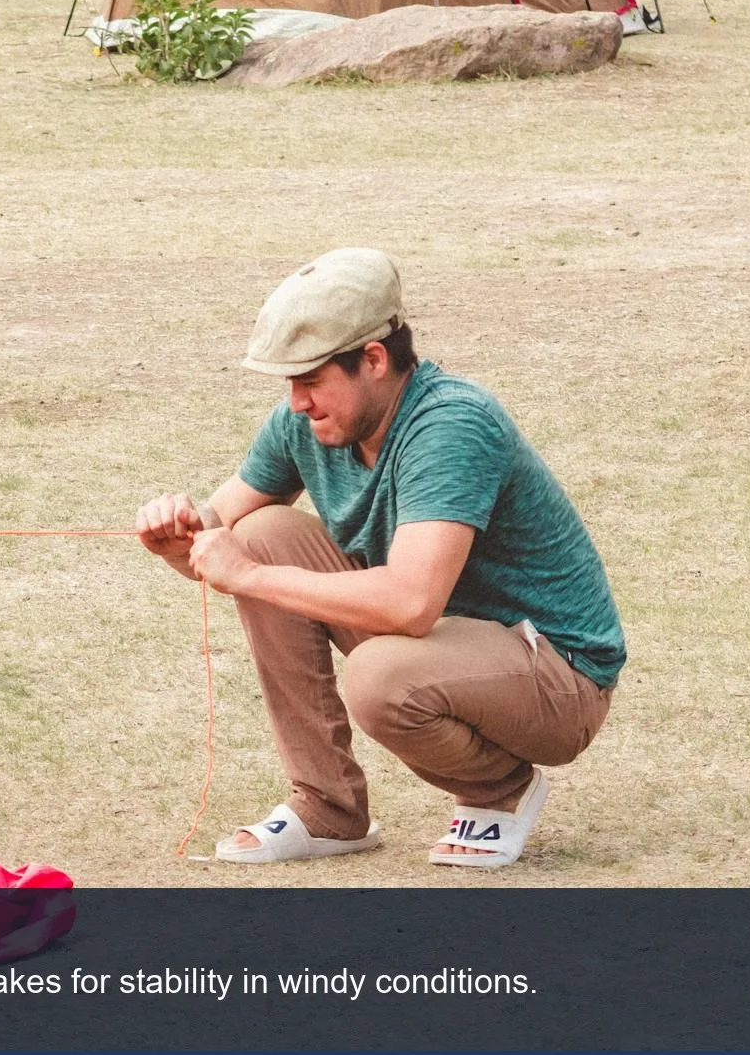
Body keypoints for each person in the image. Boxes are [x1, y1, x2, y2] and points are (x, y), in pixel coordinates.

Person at [135, 248, 624, 868]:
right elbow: (222, 529)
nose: (296, 403)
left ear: (373, 359)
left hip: (556, 677)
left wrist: (249, 574)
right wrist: (183, 539)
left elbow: (411, 605)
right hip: (443, 647)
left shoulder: (451, 424)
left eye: (311, 380)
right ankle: (328, 810)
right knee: (263, 530)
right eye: (290, 382)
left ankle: (499, 792)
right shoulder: (308, 423)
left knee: (379, 675)